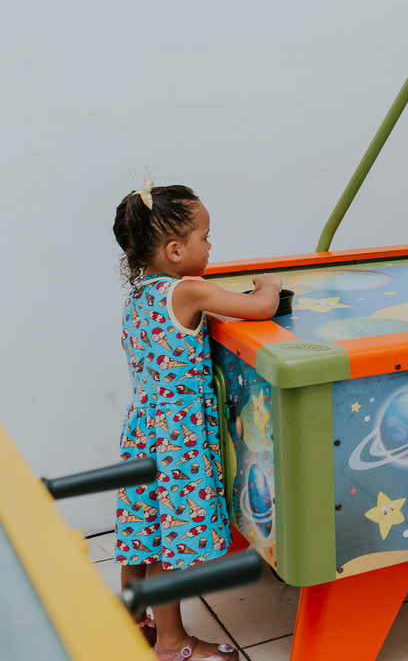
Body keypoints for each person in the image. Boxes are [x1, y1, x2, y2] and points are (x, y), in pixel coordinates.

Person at [112, 181, 282, 661]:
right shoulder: (186, 290)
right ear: (174, 249)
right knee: (171, 545)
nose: (210, 246)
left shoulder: (137, 298)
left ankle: (131, 621)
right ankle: (172, 641)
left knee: (141, 535)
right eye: (205, 237)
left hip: (144, 433)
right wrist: (268, 284)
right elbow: (261, 308)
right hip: (179, 442)